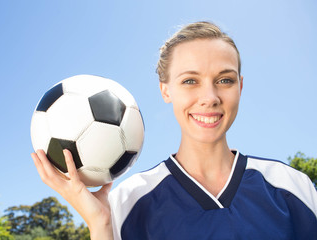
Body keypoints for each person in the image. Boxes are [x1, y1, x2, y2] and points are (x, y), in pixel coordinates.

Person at [31, 21, 317, 240]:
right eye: (190, 81)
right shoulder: (126, 204)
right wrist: (101, 224)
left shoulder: (293, 189)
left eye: (225, 80)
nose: (210, 97)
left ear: (240, 87)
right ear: (165, 90)